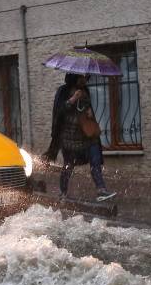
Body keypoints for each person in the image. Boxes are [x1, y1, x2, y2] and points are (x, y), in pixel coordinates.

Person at [42, 73, 116, 202]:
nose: (85, 79)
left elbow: (86, 108)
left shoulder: (85, 90)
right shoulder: (63, 91)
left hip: (87, 135)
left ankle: (101, 190)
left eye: (85, 77)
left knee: (95, 161)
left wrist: (89, 112)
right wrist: (72, 99)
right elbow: (59, 112)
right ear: (75, 78)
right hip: (70, 137)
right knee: (68, 166)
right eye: (82, 77)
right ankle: (63, 192)